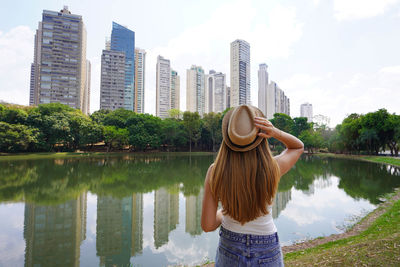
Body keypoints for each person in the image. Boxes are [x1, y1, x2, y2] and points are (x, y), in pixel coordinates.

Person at [201, 105, 304, 266]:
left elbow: (207, 225)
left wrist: (223, 212)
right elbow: (298, 146)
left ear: (228, 136)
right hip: (267, 246)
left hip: (229, 247)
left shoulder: (215, 171)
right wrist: (276, 132)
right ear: (261, 136)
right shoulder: (273, 167)